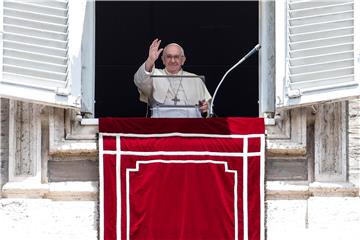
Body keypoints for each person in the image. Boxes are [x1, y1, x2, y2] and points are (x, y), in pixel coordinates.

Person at [134, 38, 211, 117]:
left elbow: (208, 106)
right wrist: (150, 60)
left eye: (176, 57)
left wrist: (206, 107)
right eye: (169, 57)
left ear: (183, 60)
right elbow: (139, 81)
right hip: (161, 126)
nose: (173, 60)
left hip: (190, 126)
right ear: (163, 60)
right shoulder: (154, 75)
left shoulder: (195, 79)